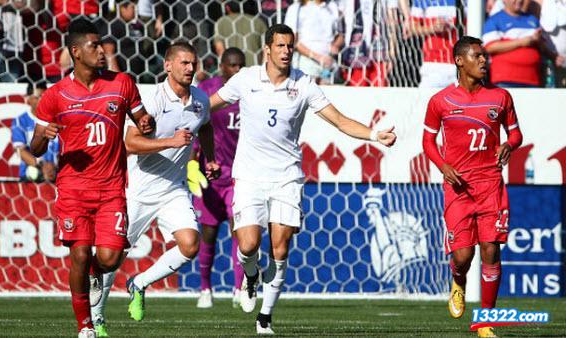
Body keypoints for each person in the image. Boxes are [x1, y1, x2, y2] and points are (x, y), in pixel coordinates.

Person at [209, 24, 397, 334]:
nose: (285, 51)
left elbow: (338, 120)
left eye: (289, 46)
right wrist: (177, 112)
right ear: (267, 49)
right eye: (280, 46)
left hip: (286, 177)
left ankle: (265, 318)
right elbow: (207, 105)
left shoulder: (304, 84)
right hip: (250, 176)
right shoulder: (245, 80)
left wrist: (375, 135)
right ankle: (251, 275)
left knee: (280, 249)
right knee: (248, 245)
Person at [29, 19, 154, 338]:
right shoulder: (55, 95)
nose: (103, 50)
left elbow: (140, 118)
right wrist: (45, 134)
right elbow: (36, 146)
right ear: (76, 52)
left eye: (102, 45)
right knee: (80, 255)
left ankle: (97, 275)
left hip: (112, 188)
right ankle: (85, 326)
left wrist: (147, 123)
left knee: (109, 259)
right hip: (73, 189)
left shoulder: (121, 83)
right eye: (95, 46)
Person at [89, 42, 220, 336]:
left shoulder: (200, 99)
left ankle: (140, 283)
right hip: (137, 189)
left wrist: (210, 158)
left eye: (193, 63)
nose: (190, 68)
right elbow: (129, 143)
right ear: (167, 66)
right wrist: (169, 142)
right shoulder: (152, 99)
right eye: (184, 63)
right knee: (112, 257)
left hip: (173, 189)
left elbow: (206, 126)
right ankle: (96, 317)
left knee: (190, 244)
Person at [422, 36, 523, 338]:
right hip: (458, 188)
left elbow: (516, 134)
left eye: (484, 56)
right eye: (477, 56)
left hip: (490, 183)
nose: (484, 61)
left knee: (491, 250)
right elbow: (427, 141)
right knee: (463, 256)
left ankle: (485, 322)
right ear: (459, 61)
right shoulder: (440, 101)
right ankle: (457, 280)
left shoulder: (501, 97)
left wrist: (508, 145)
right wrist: (443, 166)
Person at [193, 47, 245, 309]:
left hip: (240, 175)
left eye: (241, 66)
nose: (237, 70)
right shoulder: (208, 89)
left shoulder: (250, 91)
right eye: (232, 66)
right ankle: (205, 289)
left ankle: (239, 289)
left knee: (240, 232)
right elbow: (196, 125)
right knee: (209, 234)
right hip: (210, 174)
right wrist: (193, 162)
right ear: (222, 66)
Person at [482, 0, 562, 88]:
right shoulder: (494, 20)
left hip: (532, 80)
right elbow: (489, 47)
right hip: (505, 81)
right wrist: (521, 42)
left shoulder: (533, 20)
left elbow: (541, 45)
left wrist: (554, 57)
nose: (519, 1)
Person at [284, 0, 344, 84]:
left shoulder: (332, 6)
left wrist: (336, 45)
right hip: (306, 62)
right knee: (309, 93)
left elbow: (341, 35)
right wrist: (317, 57)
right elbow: (293, 40)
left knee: (329, 94)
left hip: (329, 61)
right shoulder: (296, 8)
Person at [408, 0, 463, 88]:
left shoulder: (467, 2)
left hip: (460, 65)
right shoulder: (421, 1)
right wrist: (432, 28)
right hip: (433, 65)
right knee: (425, 100)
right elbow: (412, 27)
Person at [11, 82, 59, 182]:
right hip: (32, 175)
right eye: (37, 97)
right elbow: (19, 150)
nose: (42, 101)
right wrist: (42, 166)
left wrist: (55, 166)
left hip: (57, 172)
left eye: (44, 96)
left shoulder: (58, 119)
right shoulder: (20, 121)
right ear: (28, 99)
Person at [213, 1, 268, 66]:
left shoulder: (221, 22)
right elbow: (266, 49)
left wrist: (224, 68)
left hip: (231, 68)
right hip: (254, 67)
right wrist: (263, 68)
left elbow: (219, 49)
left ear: (227, 7)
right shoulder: (258, 21)